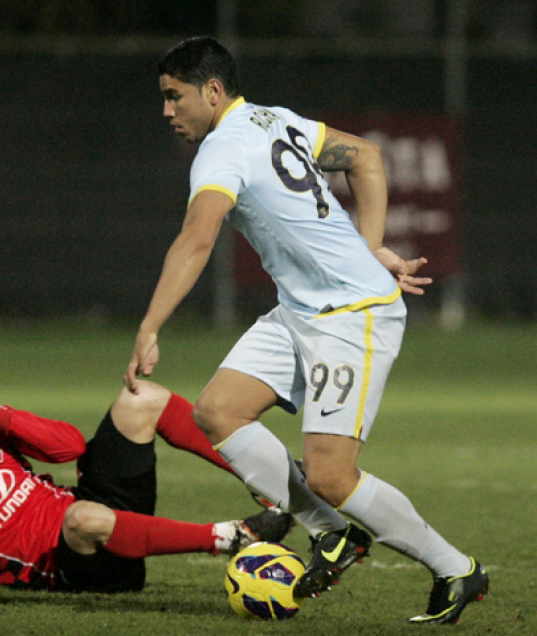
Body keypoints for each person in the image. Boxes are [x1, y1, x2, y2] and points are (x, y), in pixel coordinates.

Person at [123, 36, 485, 624]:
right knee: (217, 412)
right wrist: (367, 248)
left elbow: (196, 239)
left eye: (174, 96)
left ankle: (456, 569)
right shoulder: (276, 120)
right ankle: (333, 534)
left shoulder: (219, 153)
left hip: (352, 316)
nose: (167, 111)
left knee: (330, 472)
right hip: (302, 310)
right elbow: (366, 156)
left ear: (212, 91)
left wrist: (150, 325)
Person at [0, 354, 293, 592]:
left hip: (100, 512)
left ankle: (270, 480)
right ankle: (235, 537)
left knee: (141, 397)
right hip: (75, 568)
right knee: (82, 518)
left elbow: (71, 448)